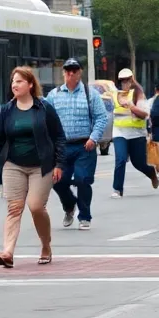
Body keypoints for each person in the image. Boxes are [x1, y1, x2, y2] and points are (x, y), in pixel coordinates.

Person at [0, 67, 65, 268]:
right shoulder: (7, 110)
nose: (14, 85)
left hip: (41, 165)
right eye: (13, 81)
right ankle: (7, 252)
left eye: (19, 81)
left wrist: (59, 164)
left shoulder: (44, 108)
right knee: (14, 208)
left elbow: (59, 137)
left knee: (36, 206)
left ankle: (46, 246)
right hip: (14, 165)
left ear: (30, 84)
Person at [46, 58, 109, 230]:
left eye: (74, 70)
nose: (70, 73)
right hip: (62, 147)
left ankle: (85, 216)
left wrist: (93, 138)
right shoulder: (54, 95)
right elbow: (46, 119)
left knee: (82, 179)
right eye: (67, 70)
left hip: (84, 145)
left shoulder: (90, 94)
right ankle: (69, 205)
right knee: (58, 181)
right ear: (63, 73)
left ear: (80, 72)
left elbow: (101, 117)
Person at [109, 75, 158, 197]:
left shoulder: (138, 94)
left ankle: (151, 173)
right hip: (119, 133)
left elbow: (145, 114)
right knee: (120, 159)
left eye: (127, 80)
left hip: (137, 134)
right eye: (122, 81)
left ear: (132, 81)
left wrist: (132, 107)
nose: (125, 83)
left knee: (139, 163)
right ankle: (117, 189)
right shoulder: (116, 95)